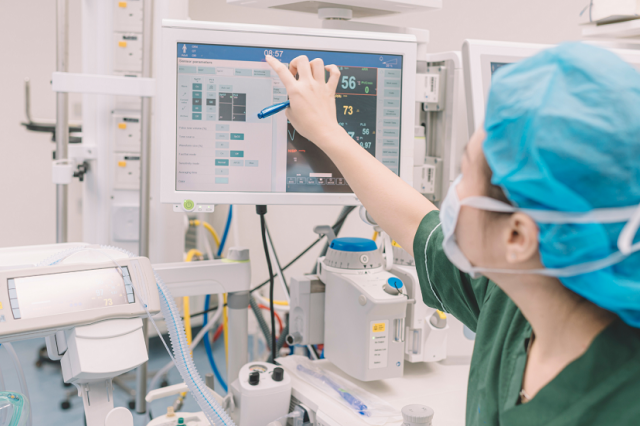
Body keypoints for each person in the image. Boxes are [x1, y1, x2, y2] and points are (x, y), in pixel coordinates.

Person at [266, 42, 640, 425]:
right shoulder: (519, 294)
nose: (453, 193)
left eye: (465, 174)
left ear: (516, 237)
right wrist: (327, 132)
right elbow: (416, 224)